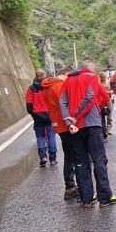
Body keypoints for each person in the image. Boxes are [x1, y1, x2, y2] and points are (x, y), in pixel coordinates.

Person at [59, 61, 116, 209]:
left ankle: (86, 199)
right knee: (99, 160)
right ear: (89, 69)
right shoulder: (91, 77)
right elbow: (90, 98)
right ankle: (104, 197)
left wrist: (70, 122)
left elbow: (62, 103)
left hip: (75, 128)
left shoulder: (68, 80)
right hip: (92, 124)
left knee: (80, 162)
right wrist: (76, 116)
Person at [41, 68, 79, 201]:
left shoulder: (48, 86)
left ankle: (70, 187)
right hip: (65, 124)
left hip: (57, 123)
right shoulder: (59, 86)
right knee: (73, 156)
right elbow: (65, 105)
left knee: (69, 155)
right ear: (67, 75)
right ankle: (70, 187)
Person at [25, 69, 57, 167]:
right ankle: (52, 159)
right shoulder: (50, 86)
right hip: (50, 114)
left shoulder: (31, 88)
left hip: (38, 116)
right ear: (44, 75)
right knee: (51, 136)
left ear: (36, 76)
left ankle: (43, 157)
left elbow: (29, 104)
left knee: (40, 137)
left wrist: (34, 115)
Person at [98, 71, 114, 139]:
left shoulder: (109, 83)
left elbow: (113, 91)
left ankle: (109, 128)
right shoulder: (98, 83)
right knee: (101, 116)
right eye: (102, 77)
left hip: (108, 101)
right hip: (100, 101)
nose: (103, 78)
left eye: (104, 77)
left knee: (109, 115)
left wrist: (106, 92)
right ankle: (102, 129)